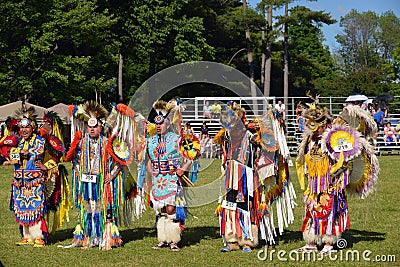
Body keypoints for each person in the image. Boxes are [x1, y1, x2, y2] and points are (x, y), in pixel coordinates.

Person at [296, 103, 379, 256]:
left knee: (330, 211)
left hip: (331, 183)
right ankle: (312, 242)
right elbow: (306, 158)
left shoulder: (335, 138)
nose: (313, 129)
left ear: (324, 125)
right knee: (312, 210)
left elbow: (345, 160)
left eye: (316, 126)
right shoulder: (310, 140)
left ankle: (328, 243)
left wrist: (340, 178)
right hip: (314, 184)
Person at [214, 101, 296, 253]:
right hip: (231, 175)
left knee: (248, 207)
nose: (232, 126)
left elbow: (271, 147)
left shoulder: (251, 136)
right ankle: (231, 239)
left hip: (249, 177)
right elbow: (225, 155)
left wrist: (268, 126)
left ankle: (247, 240)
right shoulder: (226, 136)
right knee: (230, 206)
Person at [63, 101, 133, 250]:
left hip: (102, 182)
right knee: (88, 208)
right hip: (87, 182)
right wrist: (79, 172)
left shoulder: (108, 143)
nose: (92, 129)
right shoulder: (81, 143)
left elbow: (120, 161)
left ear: (101, 127)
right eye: (90, 126)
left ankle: (106, 237)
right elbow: (74, 160)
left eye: (95, 126)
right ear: (86, 127)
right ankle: (89, 237)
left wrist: (112, 176)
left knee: (104, 208)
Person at [3, 105, 66, 247]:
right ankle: (26, 236)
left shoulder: (41, 141)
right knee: (22, 207)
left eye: (27, 127)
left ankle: (40, 237)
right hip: (20, 181)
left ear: (33, 127)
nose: (24, 130)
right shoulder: (17, 141)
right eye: (21, 128)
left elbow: (58, 154)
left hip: (35, 181)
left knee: (36, 208)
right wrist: (10, 159)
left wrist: (46, 166)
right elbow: (10, 152)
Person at [147, 100, 196, 252]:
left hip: (172, 177)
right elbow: (147, 160)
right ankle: (162, 239)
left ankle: (174, 240)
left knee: (170, 208)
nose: (159, 126)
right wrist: (151, 171)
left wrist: (183, 168)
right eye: (157, 124)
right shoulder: (151, 141)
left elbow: (192, 153)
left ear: (168, 124)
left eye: (162, 124)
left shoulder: (176, 139)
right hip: (158, 179)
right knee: (161, 209)